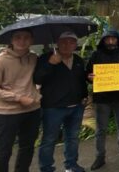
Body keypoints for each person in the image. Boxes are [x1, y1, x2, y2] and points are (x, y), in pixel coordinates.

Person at [0, 29, 41, 172]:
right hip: (6, 113)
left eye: (26, 37)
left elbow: (40, 79)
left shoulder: (34, 58)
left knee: (27, 148)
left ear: (32, 40)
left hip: (32, 110)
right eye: (18, 37)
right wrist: (19, 98)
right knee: (4, 150)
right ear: (11, 40)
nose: (22, 41)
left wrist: (37, 94)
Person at [34, 31, 88, 172]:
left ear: (75, 44)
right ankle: (46, 168)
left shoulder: (78, 60)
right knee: (49, 140)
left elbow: (81, 80)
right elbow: (37, 79)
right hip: (53, 107)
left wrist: (85, 95)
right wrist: (50, 64)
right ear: (57, 43)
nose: (67, 45)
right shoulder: (46, 58)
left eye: (71, 42)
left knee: (73, 138)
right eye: (63, 41)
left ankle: (71, 165)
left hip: (76, 106)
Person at [86, 30, 119, 170]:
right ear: (103, 40)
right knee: (100, 129)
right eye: (107, 39)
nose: (110, 41)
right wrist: (89, 77)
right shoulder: (96, 55)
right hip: (102, 99)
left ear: (117, 40)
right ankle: (100, 156)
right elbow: (87, 74)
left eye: (113, 39)